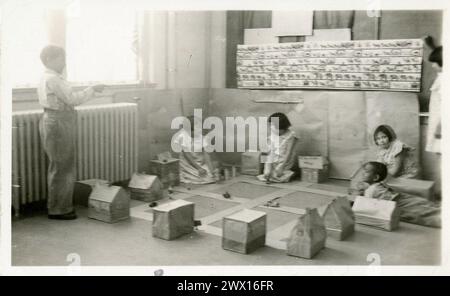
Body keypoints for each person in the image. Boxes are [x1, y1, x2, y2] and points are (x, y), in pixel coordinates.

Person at [38, 45, 105, 220]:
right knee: (62, 167)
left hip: (53, 120)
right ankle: (59, 209)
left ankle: (59, 207)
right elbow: (72, 99)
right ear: (49, 60)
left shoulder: (48, 77)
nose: (64, 61)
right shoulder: (53, 79)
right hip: (58, 122)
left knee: (59, 165)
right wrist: (92, 89)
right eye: (60, 58)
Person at [358, 161, 440, 228]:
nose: (362, 174)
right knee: (426, 206)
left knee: (423, 213)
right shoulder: (377, 185)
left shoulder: (373, 189)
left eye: (366, 172)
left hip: (400, 205)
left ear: (375, 178)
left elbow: (387, 202)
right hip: (401, 200)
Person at [172, 115, 217, 184]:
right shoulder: (183, 137)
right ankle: (186, 176)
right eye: (198, 128)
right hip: (188, 164)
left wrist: (211, 170)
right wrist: (199, 168)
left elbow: (206, 155)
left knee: (212, 176)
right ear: (190, 130)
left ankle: (208, 173)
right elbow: (187, 156)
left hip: (200, 162)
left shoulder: (202, 138)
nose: (200, 130)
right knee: (206, 178)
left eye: (201, 127)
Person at [257, 112, 298, 183]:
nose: (272, 129)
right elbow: (270, 152)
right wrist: (268, 167)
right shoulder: (273, 135)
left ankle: (290, 173)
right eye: (271, 126)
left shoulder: (291, 136)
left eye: (275, 127)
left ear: (282, 127)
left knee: (279, 175)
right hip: (273, 160)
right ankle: (271, 175)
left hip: (284, 162)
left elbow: (289, 153)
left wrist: (281, 166)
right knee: (267, 174)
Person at [424, 36, 442, 154]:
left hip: (441, 125)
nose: (433, 66)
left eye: (435, 63)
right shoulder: (442, 77)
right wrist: (431, 46)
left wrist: (440, 130)